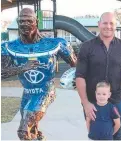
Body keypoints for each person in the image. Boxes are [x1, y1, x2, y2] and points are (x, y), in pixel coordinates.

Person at [1, 8, 77, 140]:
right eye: (21, 21)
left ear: (37, 21)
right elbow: (1, 73)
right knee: (32, 131)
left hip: (46, 89)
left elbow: (76, 65)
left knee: (23, 131)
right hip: (28, 92)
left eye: (29, 20)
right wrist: (22, 68)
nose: (25, 24)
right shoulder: (8, 46)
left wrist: (76, 80)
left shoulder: (56, 43)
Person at [75, 12, 121, 140]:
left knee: (116, 134)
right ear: (99, 24)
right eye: (105, 23)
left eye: (112, 23)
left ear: (116, 26)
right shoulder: (86, 47)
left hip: (117, 101)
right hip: (94, 101)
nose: (108, 26)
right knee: (97, 135)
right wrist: (85, 102)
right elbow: (80, 76)